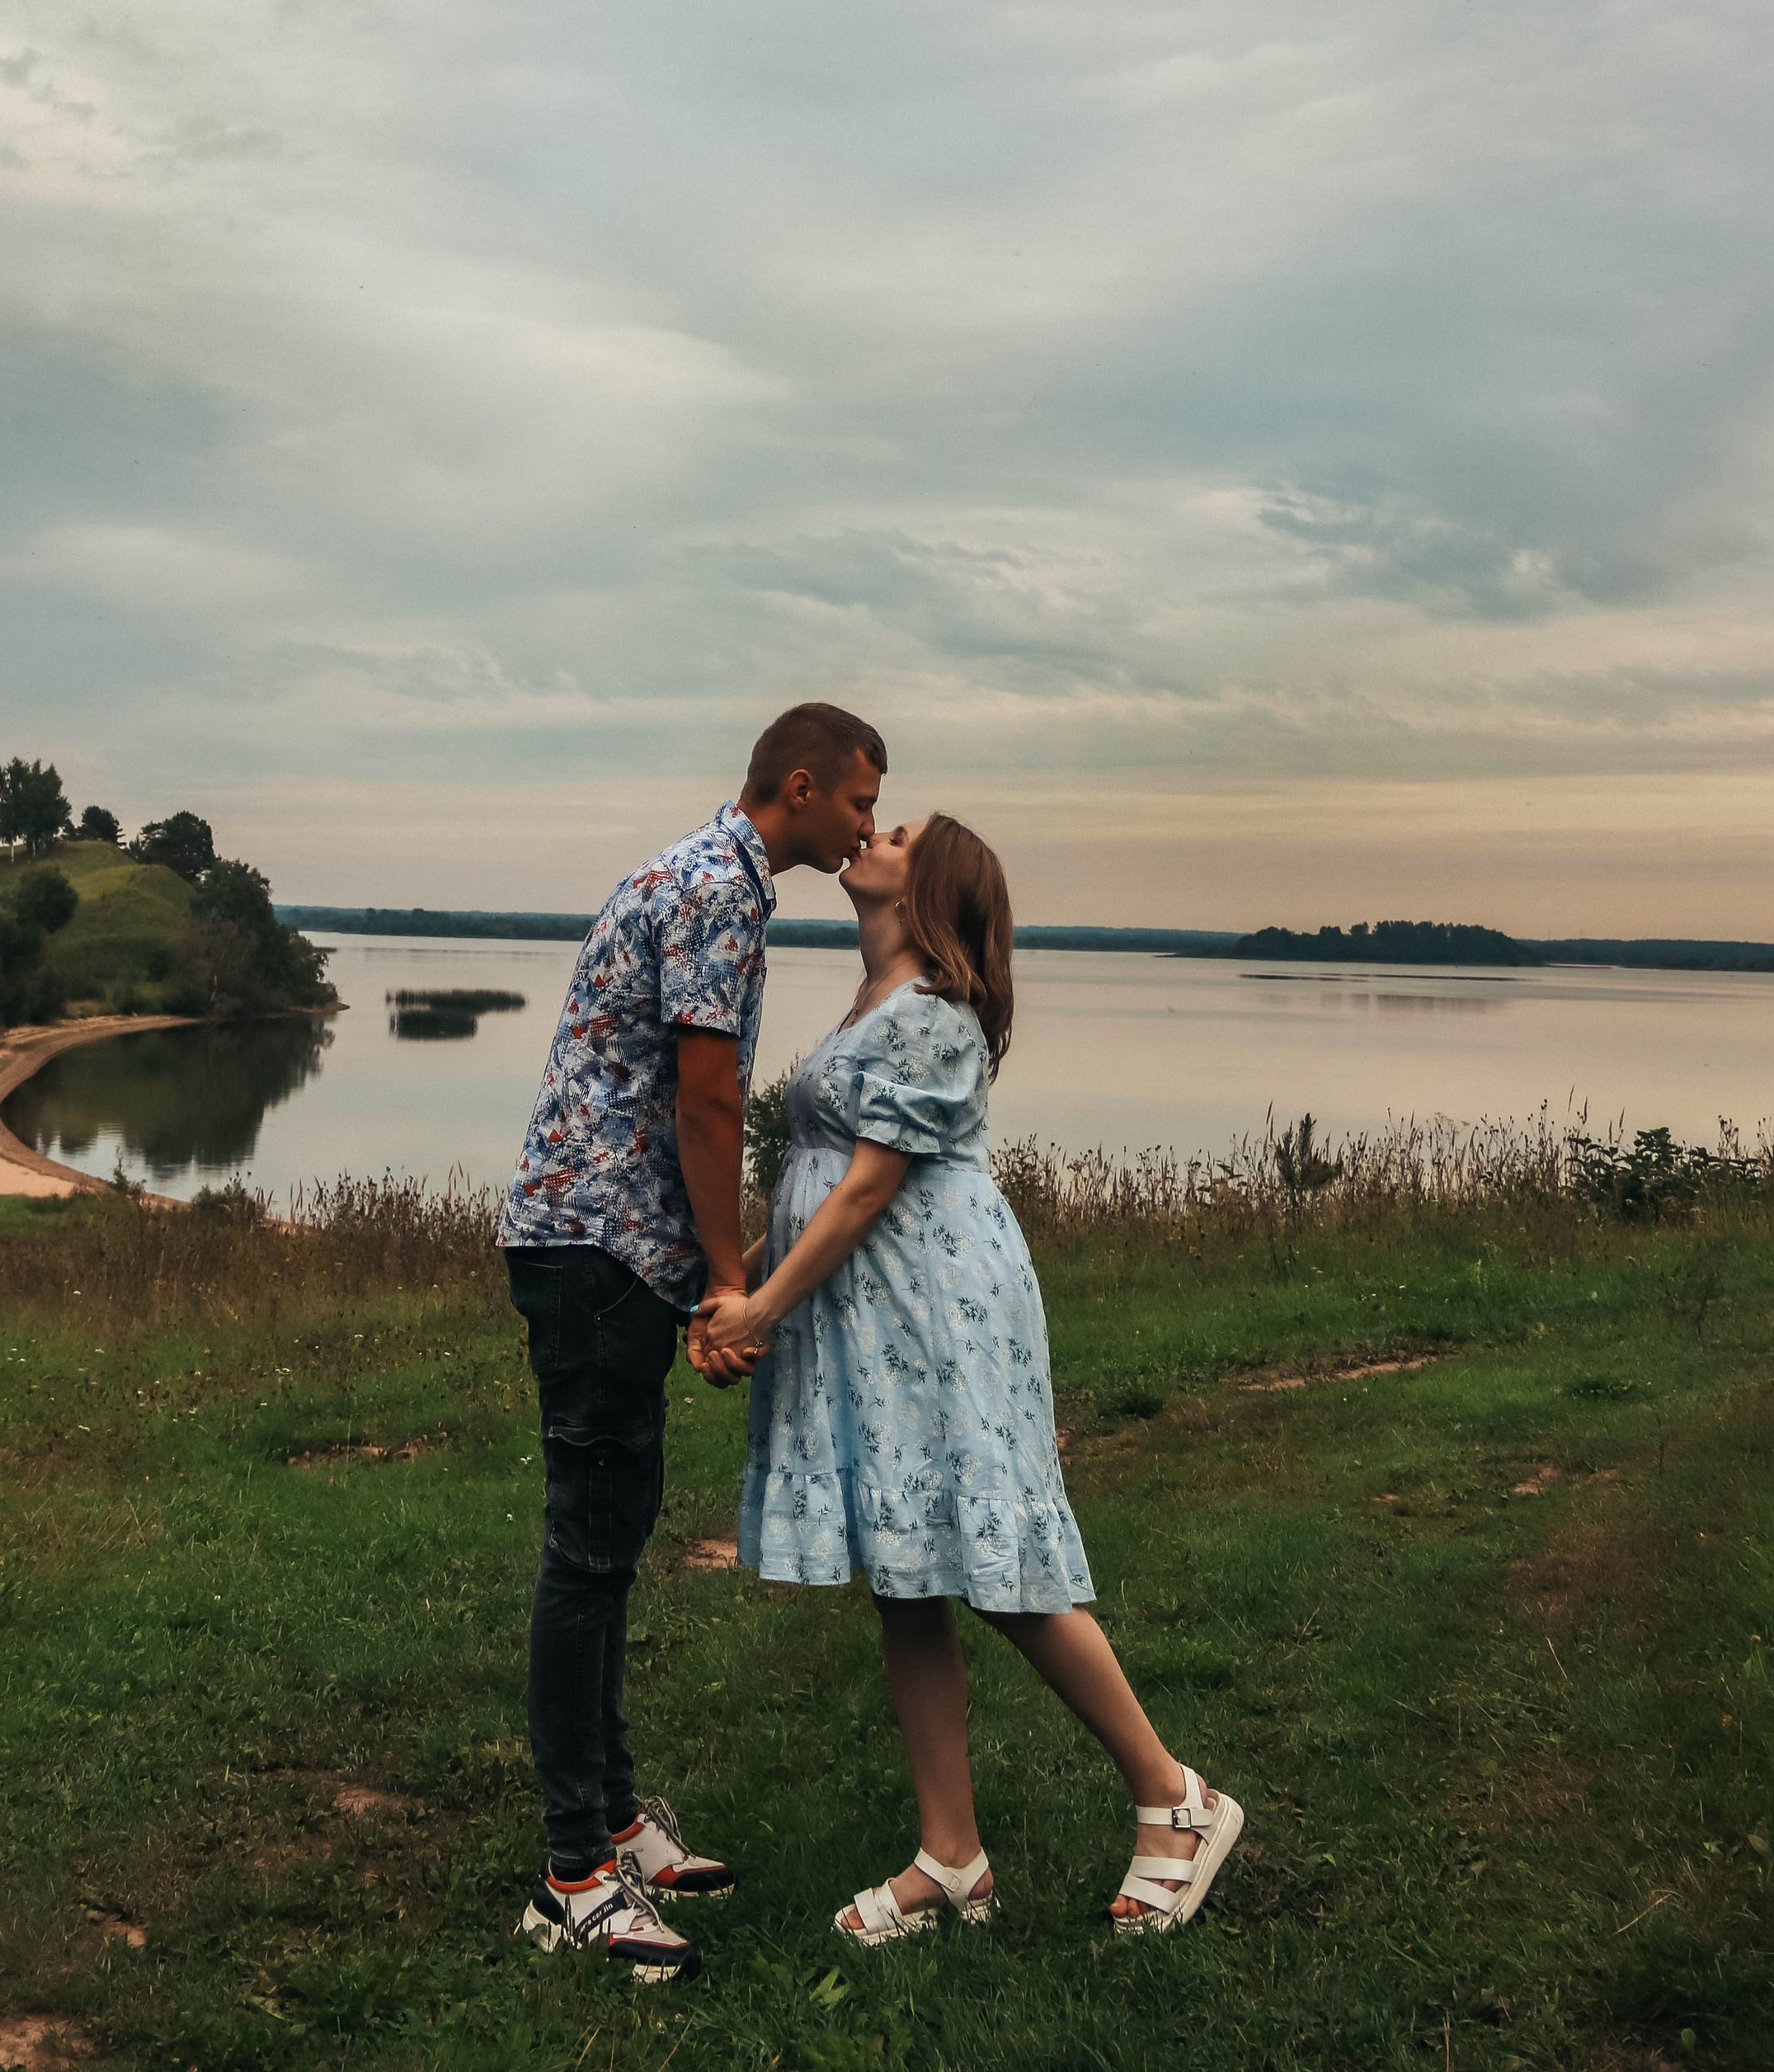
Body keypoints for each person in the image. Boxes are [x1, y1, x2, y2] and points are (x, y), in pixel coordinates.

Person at [712, 810, 1246, 1941]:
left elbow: (868, 1190)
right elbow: (821, 1176)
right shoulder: (871, 1004)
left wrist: (764, 1302)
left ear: (934, 884)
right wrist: (741, 1286)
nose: (870, 832)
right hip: (873, 1316)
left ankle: (1176, 1799)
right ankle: (951, 1859)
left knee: (1005, 1571)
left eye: (896, 831)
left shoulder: (935, 1017)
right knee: (908, 1581)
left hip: (938, 1314)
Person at [496, 701, 887, 1982]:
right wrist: (732, 1282)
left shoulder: (706, 872)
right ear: (801, 782)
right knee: (589, 1550)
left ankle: (613, 1822)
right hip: (596, 1252)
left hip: (601, 1250)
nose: (868, 825)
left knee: (611, 1538)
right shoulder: (719, 888)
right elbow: (706, 1095)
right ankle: (572, 1878)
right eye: (860, 802)